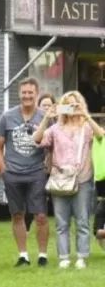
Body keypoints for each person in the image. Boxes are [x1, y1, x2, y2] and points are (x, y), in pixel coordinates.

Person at [34, 91, 105, 269]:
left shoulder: (86, 128)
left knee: (82, 221)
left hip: (83, 179)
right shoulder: (55, 129)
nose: (71, 108)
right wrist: (46, 118)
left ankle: (81, 256)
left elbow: (100, 135)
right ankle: (64, 257)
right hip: (60, 180)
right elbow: (37, 140)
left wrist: (85, 115)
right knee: (61, 222)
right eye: (67, 105)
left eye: (74, 104)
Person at [0, 78, 50, 267]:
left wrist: (48, 165)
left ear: (36, 94)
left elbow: (52, 144)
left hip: (36, 172)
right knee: (17, 214)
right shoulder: (7, 117)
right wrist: (3, 169)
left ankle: (42, 255)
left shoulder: (45, 117)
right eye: (24, 92)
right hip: (13, 173)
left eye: (30, 93)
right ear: (19, 94)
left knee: (40, 215)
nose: (27, 96)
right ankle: (23, 255)